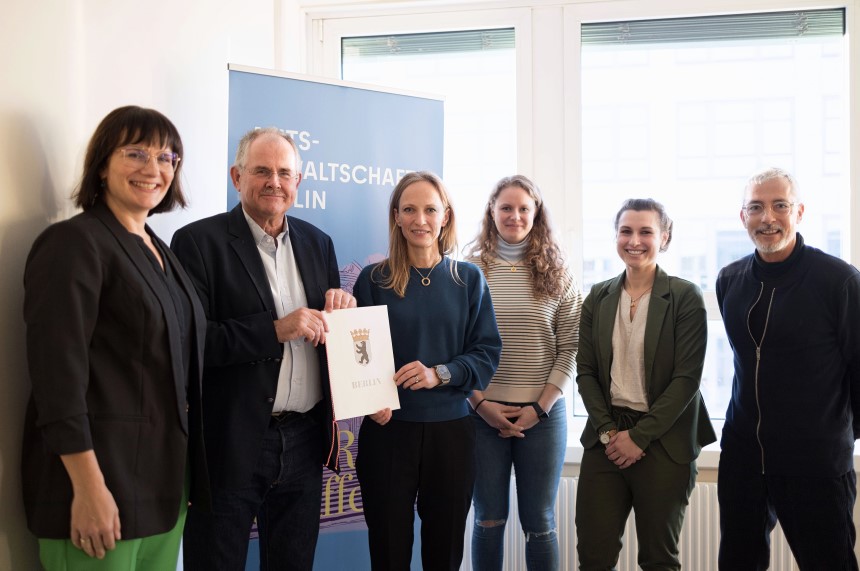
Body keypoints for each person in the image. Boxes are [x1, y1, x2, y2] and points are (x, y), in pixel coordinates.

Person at [21, 105, 209, 570]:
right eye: (136, 153)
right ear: (103, 163)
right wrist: (88, 489)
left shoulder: (158, 249)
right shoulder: (73, 244)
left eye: (167, 157)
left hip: (160, 485)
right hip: (98, 485)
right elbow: (56, 379)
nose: (154, 168)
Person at [171, 127, 354, 571]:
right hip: (231, 442)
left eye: (285, 172)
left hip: (305, 439)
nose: (275, 181)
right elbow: (195, 342)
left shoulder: (318, 242)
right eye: (262, 171)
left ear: (299, 181)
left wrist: (343, 308)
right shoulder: (197, 243)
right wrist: (274, 329)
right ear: (237, 176)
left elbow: (330, 334)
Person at [353, 170, 502, 571]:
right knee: (387, 551)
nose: (420, 219)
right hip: (387, 433)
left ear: (446, 216)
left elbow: (487, 352)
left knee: (445, 552)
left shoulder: (468, 279)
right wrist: (369, 400)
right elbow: (358, 351)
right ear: (397, 217)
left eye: (430, 210)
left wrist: (442, 373)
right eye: (410, 210)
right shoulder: (373, 280)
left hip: (451, 435)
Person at [716, 167, 860, 570]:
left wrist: (836, 435)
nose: (768, 218)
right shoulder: (730, 280)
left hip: (815, 462)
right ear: (742, 217)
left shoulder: (839, 281)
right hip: (744, 456)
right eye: (756, 208)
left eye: (780, 206)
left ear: (799, 211)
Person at [575, 198, 716, 571]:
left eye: (645, 232)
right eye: (626, 231)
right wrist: (608, 432)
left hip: (664, 441)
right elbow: (585, 372)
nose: (634, 240)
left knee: (658, 559)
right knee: (593, 554)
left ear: (664, 238)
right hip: (605, 440)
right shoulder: (598, 296)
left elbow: (687, 380)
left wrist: (640, 436)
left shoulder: (685, 296)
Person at [464, 175, 582, 571]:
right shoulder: (467, 272)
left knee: (540, 522)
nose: (514, 216)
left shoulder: (560, 275)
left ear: (536, 215)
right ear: (491, 212)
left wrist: (540, 408)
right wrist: (481, 406)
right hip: (481, 415)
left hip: (544, 416)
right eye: (506, 208)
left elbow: (570, 349)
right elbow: (456, 348)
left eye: (523, 209)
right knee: (488, 518)